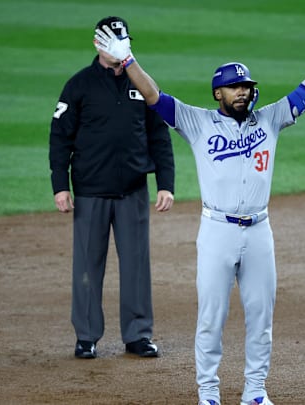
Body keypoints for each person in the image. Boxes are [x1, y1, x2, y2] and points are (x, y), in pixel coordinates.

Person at [94, 25, 305, 404]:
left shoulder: (271, 118)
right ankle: (208, 395)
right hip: (217, 231)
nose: (244, 91)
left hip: (259, 231)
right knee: (211, 318)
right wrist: (128, 61)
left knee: (261, 318)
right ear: (218, 93)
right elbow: (154, 97)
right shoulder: (197, 121)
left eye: (247, 86)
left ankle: (255, 393)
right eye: (235, 87)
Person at [49, 16, 176, 360]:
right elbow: (60, 138)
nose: (119, 49)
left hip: (134, 189)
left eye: (123, 42)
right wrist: (61, 186)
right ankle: (87, 337)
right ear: (97, 44)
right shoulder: (79, 86)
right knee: (88, 266)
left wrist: (166, 184)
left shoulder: (142, 85)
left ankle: (138, 335)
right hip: (91, 191)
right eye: (111, 42)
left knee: (136, 264)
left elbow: (159, 136)